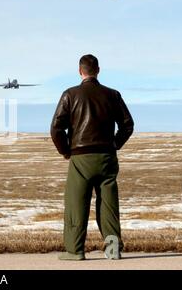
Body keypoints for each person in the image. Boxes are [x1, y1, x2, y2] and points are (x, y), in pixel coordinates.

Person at [50, 54, 134, 260]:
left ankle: (75, 251)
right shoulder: (112, 95)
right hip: (106, 157)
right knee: (108, 204)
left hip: (80, 159)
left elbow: (56, 128)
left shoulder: (70, 94)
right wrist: (115, 144)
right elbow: (127, 125)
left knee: (76, 204)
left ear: (80, 71)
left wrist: (65, 151)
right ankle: (113, 250)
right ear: (98, 70)